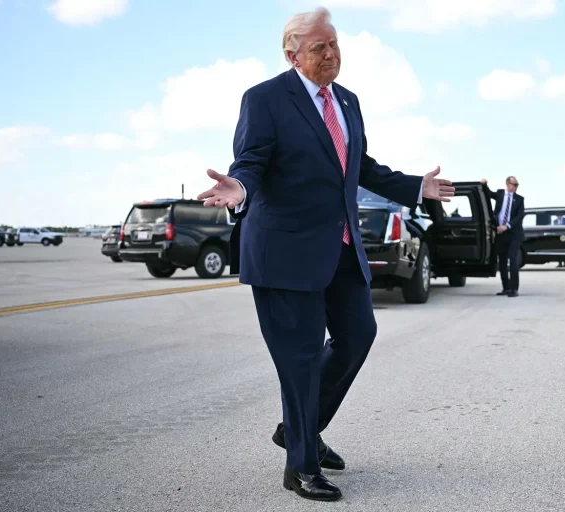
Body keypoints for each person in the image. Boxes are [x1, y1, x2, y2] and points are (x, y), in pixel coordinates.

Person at [196, 7, 454, 502]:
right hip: (284, 248)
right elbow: (250, 161)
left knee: (359, 335)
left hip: (338, 245)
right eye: (320, 47)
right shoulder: (266, 99)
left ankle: (299, 429)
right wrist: (240, 190)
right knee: (301, 357)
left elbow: (360, 166)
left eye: (335, 44)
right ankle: (301, 465)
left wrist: (415, 187)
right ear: (293, 54)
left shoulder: (348, 102)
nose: (332, 54)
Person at [481, 177, 525, 297]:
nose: (515, 187)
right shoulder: (500, 194)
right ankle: (506, 288)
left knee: (513, 259)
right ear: (507, 184)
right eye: (514, 184)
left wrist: (507, 226)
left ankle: (514, 289)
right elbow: (488, 194)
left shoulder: (519, 199)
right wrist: (484, 184)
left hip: (514, 233)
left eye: (517, 185)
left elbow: (520, 216)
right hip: (500, 233)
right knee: (502, 261)